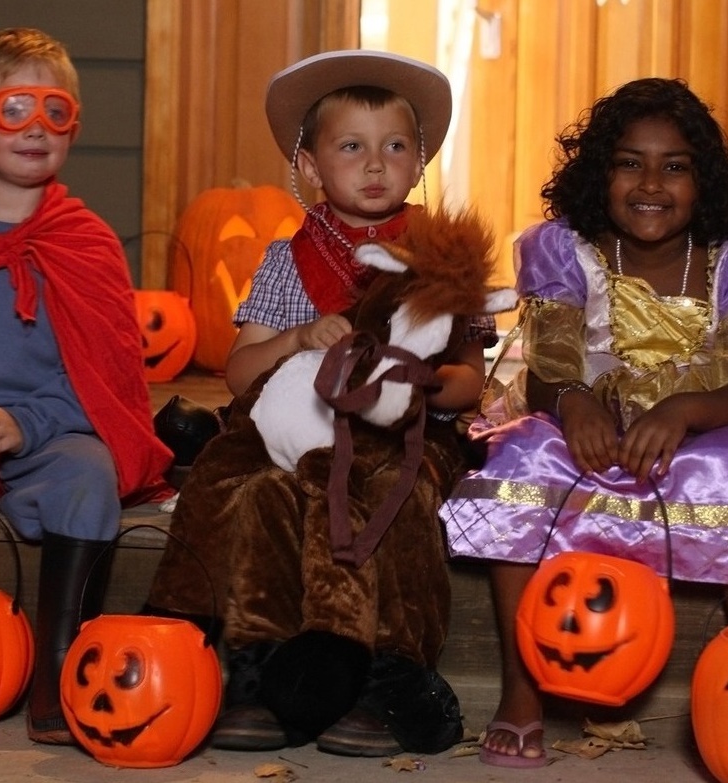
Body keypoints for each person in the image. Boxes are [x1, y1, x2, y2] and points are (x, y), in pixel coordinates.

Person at [145, 50, 498, 756]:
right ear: (309, 168)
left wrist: (423, 387)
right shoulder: (288, 257)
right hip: (294, 431)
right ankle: (259, 666)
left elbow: (469, 377)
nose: (375, 164)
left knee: (392, 497)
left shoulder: (438, 255)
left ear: (419, 162)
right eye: (351, 147)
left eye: (394, 146)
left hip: (403, 434)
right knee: (258, 495)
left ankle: (390, 675)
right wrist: (299, 337)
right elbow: (244, 373)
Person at [440, 77, 728, 768]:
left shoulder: (723, 261)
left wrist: (684, 408)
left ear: (703, 178)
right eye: (629, 162)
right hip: (588, 432)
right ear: (598, 173)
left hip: (703, 435)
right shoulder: (563, 249)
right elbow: (549, 365)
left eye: (675, 166)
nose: (650, 183)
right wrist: (571, 400)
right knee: (522, 456)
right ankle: (519, 691)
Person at [0, 28, 172, 745]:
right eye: (15, 109)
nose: (38, 128)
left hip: (46, 436)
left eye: (57, 111)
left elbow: (107, 378)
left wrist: (30, 422)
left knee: (89, 473)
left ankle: (60, 661)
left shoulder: (86, 240)